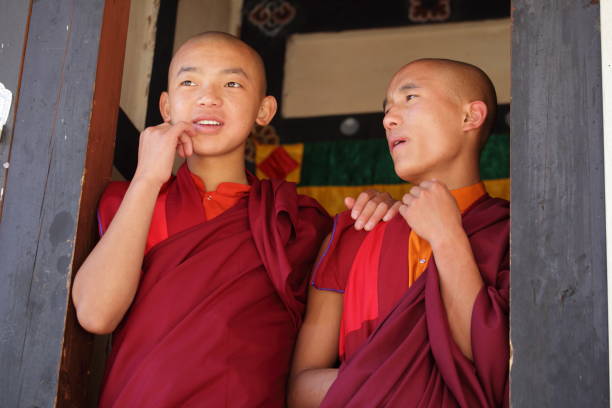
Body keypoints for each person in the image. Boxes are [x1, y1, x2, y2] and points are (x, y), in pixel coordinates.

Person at [72, 32, 396, 407]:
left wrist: (378, 210)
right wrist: (146, 179)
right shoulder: (129, 201)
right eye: (189, 82)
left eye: (231, 83)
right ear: (166, 106)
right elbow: (96, 315)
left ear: (264, 111)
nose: (208, 97)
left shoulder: (299, 222)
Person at [288, 58, 510, 408]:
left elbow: (500, 366)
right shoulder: (356, 231)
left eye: (410, 98)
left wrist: (447, 238)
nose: (388, 119)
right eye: (386, 108)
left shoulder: (513, 234)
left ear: (470, 116)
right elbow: (299, 389)